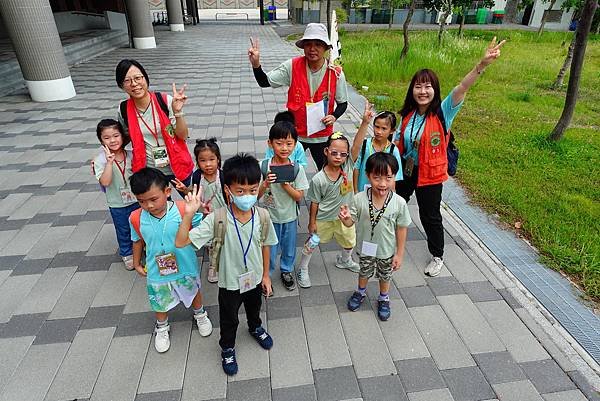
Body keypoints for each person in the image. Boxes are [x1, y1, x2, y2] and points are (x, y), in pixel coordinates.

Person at [394, 37, 506, 277]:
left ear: (434, 90)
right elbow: (398, 142)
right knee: (396, 204)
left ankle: (437, 255)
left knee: (429, 215)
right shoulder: (408, 114)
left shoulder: (444, 110)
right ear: (411, 90)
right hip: (407, 169)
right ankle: (392, 241)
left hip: (430, 174)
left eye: (428, 86)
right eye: (418, 86)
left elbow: (462, 87)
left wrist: (482, 65)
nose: (423, 91)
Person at [175, 154, 278, 376]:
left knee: (254, 308)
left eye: (252, 189)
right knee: (229, 318)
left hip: (255, 277)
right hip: (230, 282)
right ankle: (227, 347)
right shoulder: (217, 218)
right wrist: (188, 214)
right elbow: (182, 242)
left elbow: (266, 245)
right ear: (227, 190)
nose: (247, 195)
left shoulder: (263, 216)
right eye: (240, 191)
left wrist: (267, 276)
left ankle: (255, 327)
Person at [129, 168, 213, 353]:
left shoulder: (183, 209)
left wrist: (203, 212)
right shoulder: (135, 217)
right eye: (141, 201)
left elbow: (201, 227)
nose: (149, 205)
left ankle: (200, 314)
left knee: (193, 289)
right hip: (156, 268)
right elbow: (137, 240)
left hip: (185, 264)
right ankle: (162, 326)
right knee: (159, 298)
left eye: (153, 199)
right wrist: (136, 263)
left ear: (167, 192)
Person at [249, 23, 349, 170]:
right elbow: (264, 82)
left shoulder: (335, 73)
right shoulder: (292, 66)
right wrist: (256, 64)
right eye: (308, 44)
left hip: (321, 135)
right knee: (286, 173)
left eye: (318, 44)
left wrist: (334, 116)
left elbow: (343, 103)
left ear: (326, 48)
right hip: (294, 136)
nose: (312, 49)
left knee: (328, 174)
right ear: (303, 47)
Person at [339, 153, 411, 321]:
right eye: (377, 178)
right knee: (364, 270)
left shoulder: (399, 203)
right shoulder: (359, 199)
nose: (383, 183)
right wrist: (345, 219)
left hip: (386, 250)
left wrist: (399, 254)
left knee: (385, 275)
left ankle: (384, 297)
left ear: (395, 177)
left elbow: (402, 228)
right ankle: (360, 292)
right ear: (367, 175)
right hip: (365, 247)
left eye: (388, 178)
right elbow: (351, 223)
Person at [115, 59, 194, 196]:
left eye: (138, 78)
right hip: (150, 170)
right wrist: (104, 157)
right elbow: (123, 138)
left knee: (194, 203)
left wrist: (177, 112)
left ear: (145, 78)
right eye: (127, 80)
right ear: (121, 85)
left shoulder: (164, 100)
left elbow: (182, 135)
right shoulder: (123, 109)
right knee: (159, 211)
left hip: (177, 165)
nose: (134, 84)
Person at [298, 132, 359, 288]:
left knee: (349, 241)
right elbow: (314, 202)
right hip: (323, 218)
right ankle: (303, 268)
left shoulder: (348, 167)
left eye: (343, 154)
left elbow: (357, 146)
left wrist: (365, 122)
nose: (338, 157)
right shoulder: (319, 179)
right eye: (334, 153)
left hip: (345, 217)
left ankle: (345, 260)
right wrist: (312, 222)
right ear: (326, 151)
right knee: (312, 242)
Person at [259, 122, 309, 291]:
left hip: (289, 217)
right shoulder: (264, 166)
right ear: (270, 143)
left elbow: (299, 196)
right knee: (269, 249)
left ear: (296, 145)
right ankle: (267, 274)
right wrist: (265, 184)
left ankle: (286, 270)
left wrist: (286, 185)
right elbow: (255, 195)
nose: (284, 148)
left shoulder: (296, 169)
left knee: (288, 247)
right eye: (279, 143)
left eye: (289, 144)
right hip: (269, 217)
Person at [172, 137, 226, 283]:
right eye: (203, 160)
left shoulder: (223, 175)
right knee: (210, 238)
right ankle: (213, 265)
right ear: (197, 161)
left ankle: (223, 258)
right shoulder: (197, 176)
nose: (208, 164)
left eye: (212, 159)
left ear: (218, 159)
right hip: (204, 214)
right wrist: (185, 190)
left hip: (222, 212)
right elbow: (193, 192)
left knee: (222, 237)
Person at [92, 119, 139, 270]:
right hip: (117, 203)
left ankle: (141, 248)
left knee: (139, 225)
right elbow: (105, 182)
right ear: (101, 140)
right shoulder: (100, 160)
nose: (112, 140)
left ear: (122, 136)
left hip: (137, 200)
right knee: (123, 229)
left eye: (116, 135)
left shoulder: (132, 155)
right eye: (107, 137)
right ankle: (127, 253)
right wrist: (109, 163)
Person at [351, 102, 403, 193]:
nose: (379, 131)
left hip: (382, 194)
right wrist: (355, 190)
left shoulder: (393, 150)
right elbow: (357, 168)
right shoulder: (365, 144)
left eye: (384, 128)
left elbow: (394, 177)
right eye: (377, 127)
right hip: (362, 191)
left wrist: (391, 195)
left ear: (392, 131)